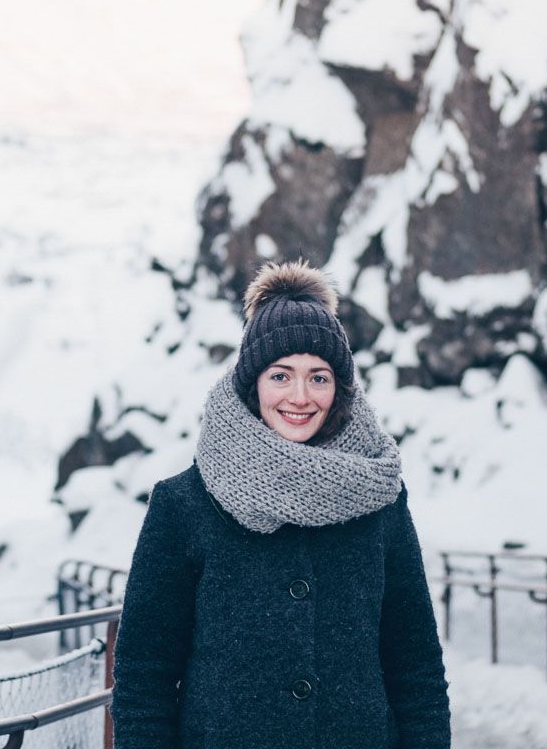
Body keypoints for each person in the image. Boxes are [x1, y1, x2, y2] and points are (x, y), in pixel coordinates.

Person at [110, 260, 451, 749]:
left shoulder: (381, 502)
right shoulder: (183, 505)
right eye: (280, 375)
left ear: (339, 390)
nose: (300, 396)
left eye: (319, 377)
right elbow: (145, 678)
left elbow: (415, 664)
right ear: (253, 384)